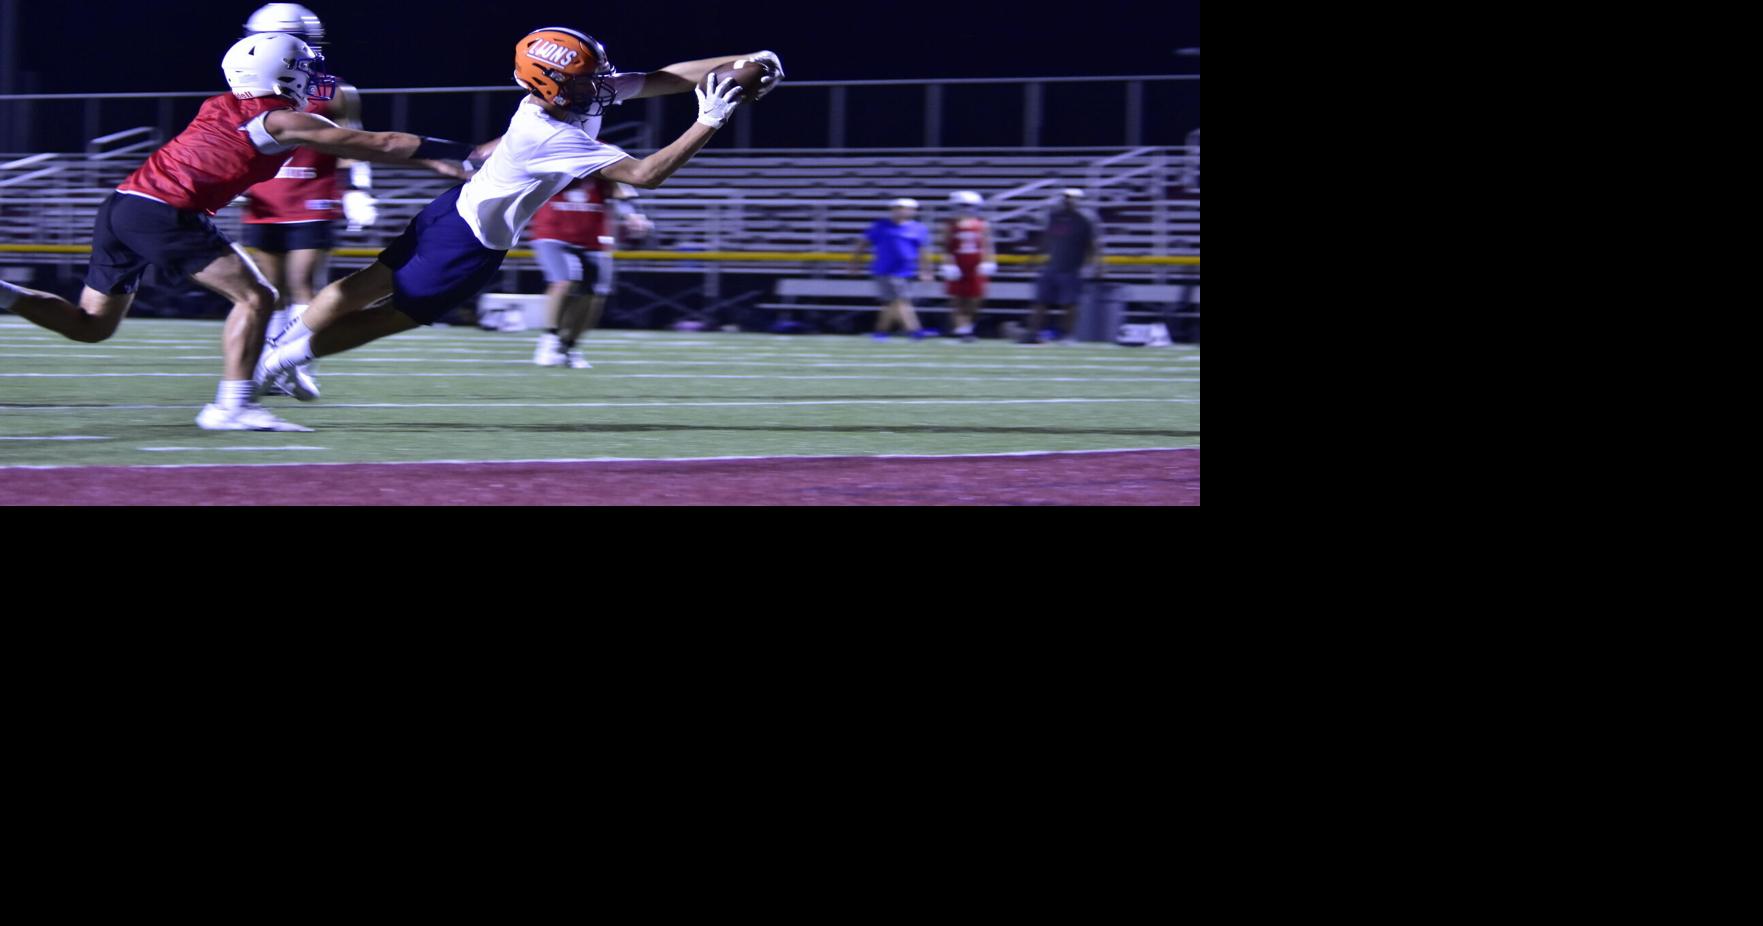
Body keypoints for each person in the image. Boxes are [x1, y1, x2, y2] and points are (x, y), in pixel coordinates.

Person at [256, 29, 782, 410]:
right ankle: (280, 362)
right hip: (473, 240)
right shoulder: (550, 132)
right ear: (552, 84)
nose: (602, 85)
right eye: (589, 79)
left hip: (454, 210)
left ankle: (281, 349)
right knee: (396, 315)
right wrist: (710, 119)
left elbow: (662, 78)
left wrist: (746, 59)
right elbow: (645, 175)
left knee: (367, 282)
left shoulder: (566, 96)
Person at [0, 31, 484, 431]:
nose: (313, 75)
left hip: (123, 205)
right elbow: (376, 142)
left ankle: (4, 293)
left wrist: (432, 161)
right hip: (165, 210)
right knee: (257, 297)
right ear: (279, 73)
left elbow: (357, 145)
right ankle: (231, 406)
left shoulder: (222, 104)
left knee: (91, 326)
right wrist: (463, 153)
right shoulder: (278, 119)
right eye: (302, 67)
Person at [239, 4, 459, 396]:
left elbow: (353, 142)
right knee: (271, 290)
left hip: (311, 195)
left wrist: (359, 187)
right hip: (265, 197)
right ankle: (266, 362)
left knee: (303, 283)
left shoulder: (333, 89)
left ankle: (294, 365)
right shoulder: (246, 88)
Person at [528, 176, 648, 368]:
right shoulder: (551, 160)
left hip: (593, 236)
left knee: (594, 295)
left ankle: (569, 346)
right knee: (563, 281)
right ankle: (549, 339)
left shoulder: (601, 161)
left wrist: (633, 215)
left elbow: (621, 189)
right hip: (553, 232)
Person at [1020, 188, 1101, 344]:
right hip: (1051, 266)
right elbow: (1045, 239)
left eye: (1072, 198)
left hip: (1072, 268)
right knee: (1040, 302)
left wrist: (1097, 265)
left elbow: (1093, 244)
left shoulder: (1086, 219)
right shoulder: (1054, 216)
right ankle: (1033, 333)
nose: (1068, 200)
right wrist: (1032, 258)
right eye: (1066, 197)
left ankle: (1068, 335)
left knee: (1070, 304)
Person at [850, 198, 933, 340]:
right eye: (897, 208)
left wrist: (925, 270)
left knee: (892, 303)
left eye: (904, 208)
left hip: (906, 270)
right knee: (901, 301)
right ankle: (914, 330)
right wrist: (855, 262)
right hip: (884, 269)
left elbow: (923, 252)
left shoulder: (919, 229)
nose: (900, 211)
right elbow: (863, 244)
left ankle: (880, 331)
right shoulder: (880, 226)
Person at [937, 190, 996, 342]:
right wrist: (948, 264)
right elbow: (945, 247)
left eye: (969, 206)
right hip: (958, 264)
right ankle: (962, 330)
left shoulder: (982, 225)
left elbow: (987, 245)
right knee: (957, 299)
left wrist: (989, 261)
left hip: (975, 265)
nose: (965, 209)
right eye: (962, 205)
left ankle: (967, 327)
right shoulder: (949, 226)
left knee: (975, 299)